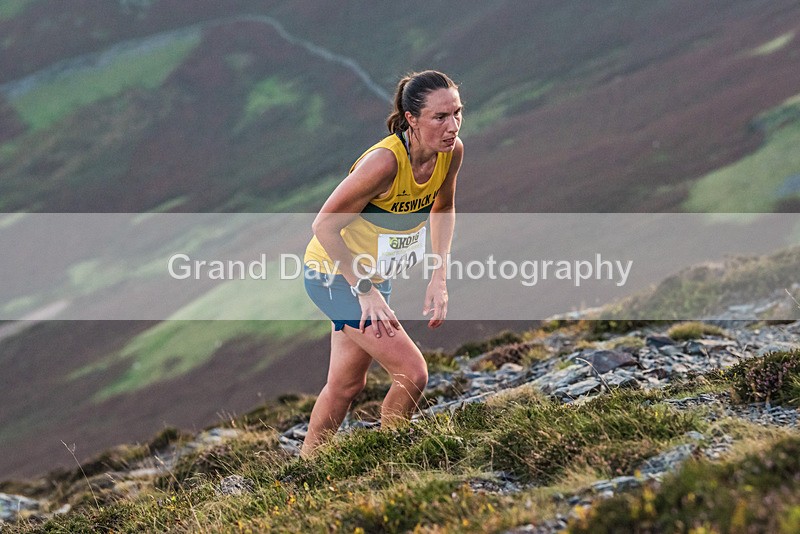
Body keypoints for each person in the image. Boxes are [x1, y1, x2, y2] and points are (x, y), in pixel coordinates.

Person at [301, 70, 463, 456]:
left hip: (372, 279)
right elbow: (323, 225)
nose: (452, 125)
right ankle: (393, 458)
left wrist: (439, 276)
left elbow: (443, 208)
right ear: (411, 119)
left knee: (346, 386)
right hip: (336, 276)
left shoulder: (450, 152)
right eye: (440, 117)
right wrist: (365, 290)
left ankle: (303, 470)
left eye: (457, 113)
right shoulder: (384, 164)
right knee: (413, 372)